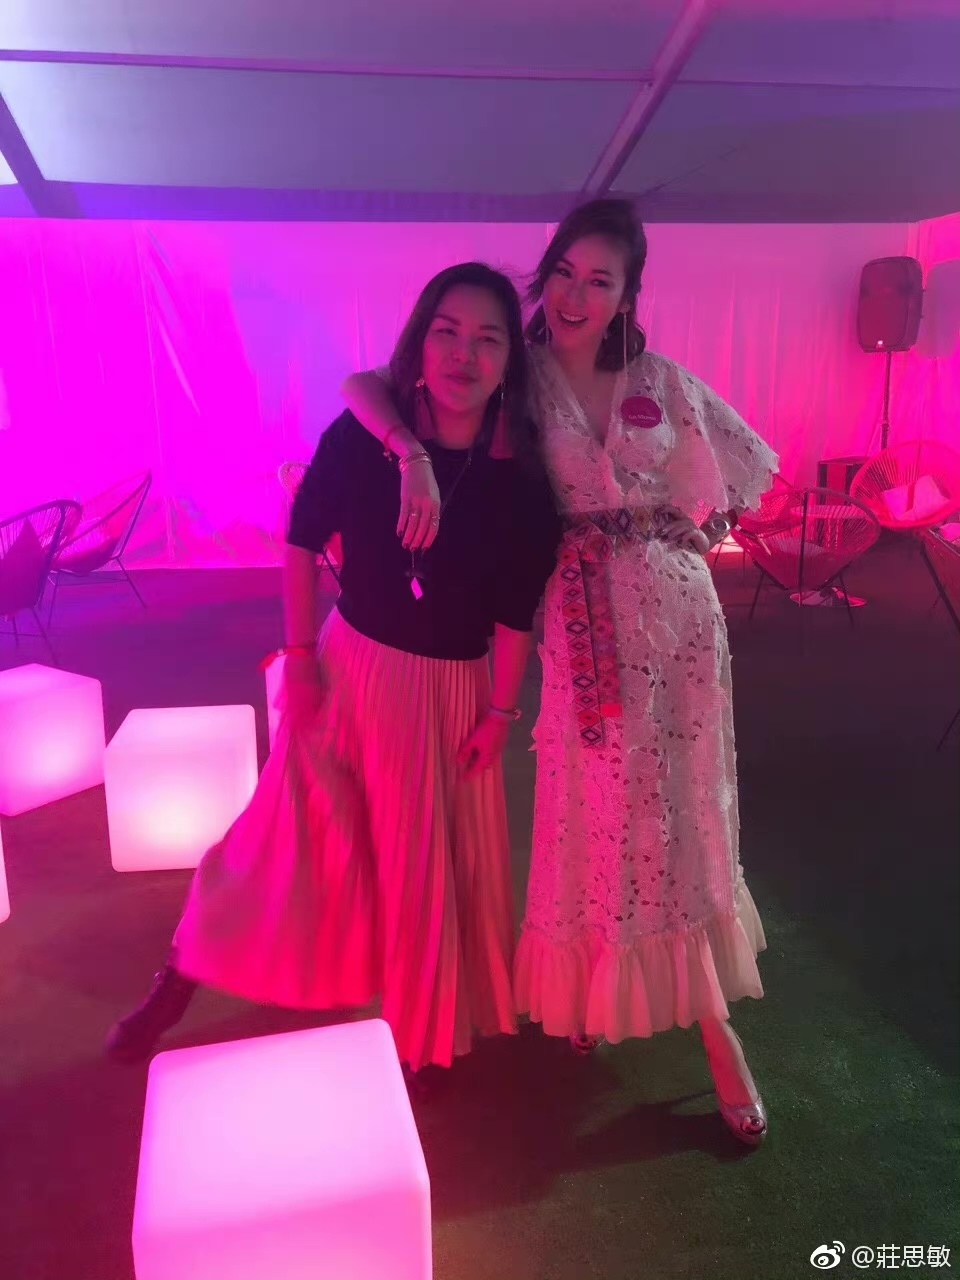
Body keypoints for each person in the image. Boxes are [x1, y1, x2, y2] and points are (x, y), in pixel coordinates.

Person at [340, 200, 778, 1144]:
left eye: (600, 280)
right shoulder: (518, 379)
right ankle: (593, 989)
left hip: (682, 630)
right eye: (567, 273)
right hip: (581, 629)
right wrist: (409, 455)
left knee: (685, 815)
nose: (578, 295)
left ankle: (717, 1030)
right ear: (547, 277)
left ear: (627, 293)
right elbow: (370, 386)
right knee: (595, 811)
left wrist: (692, 532)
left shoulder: (659, 378)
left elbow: (742, 469)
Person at [105, 263, 561, 1084]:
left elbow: (513, 616)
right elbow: (300, 543)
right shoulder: (366, 437)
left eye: (488, 339)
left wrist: (500, 715)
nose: (464, 354)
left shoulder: (518, 481)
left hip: (449, 694)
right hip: (348, 667)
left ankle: (422, 1034)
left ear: (509, 364)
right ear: (420, 342)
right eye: (448, 332)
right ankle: (183, 971)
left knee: (421, 870)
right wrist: (301, 658)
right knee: (277, 838)